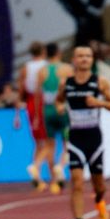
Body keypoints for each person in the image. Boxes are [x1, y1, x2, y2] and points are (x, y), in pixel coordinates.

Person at [61, 43, 110, 219]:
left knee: (99, 185)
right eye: (80, 56)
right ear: (74, 60)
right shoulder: (66, 83)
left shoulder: (99, 83)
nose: (84, 59)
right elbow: (59, 100)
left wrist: (99, 103)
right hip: (76, 137)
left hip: (94, 138)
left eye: (88, 56)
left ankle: (100, 200)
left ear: (92, 60)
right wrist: (60, 107)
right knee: (76, 182)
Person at [17, 40, 53, 190]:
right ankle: (49, 173)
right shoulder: (47, 66)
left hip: (31, 102)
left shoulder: (26, 68)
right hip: (44, 101)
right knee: (49, 140)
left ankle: (37, 177)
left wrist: (18, 112)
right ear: (43, 51)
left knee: (38, 142)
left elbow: (21, 90)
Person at [40, 42, 69, 189]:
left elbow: (38, 94)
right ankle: (61, 167)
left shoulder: (42, 71)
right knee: (67, 145)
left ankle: (54, 180)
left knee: (50, 146)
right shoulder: (66, 69)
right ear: (58, 53)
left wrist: (37, 116)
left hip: (48, 111)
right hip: (63, 110)